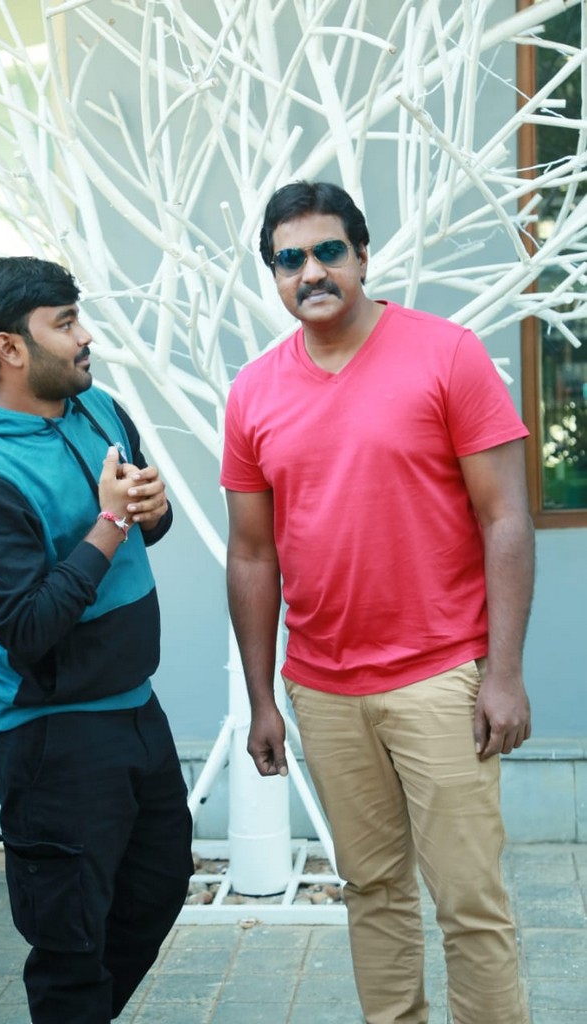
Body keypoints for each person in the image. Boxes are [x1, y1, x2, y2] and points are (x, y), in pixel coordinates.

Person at [221, 181, 534, 1024]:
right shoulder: (254, 391)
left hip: (441, 676)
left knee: (469, 899)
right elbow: (251, 553)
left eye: (329, 251)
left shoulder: (447, 354)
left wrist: (504, 673)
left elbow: (506, 518)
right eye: (290, 260)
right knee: (373, 891)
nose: (311, 272)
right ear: (273, 275)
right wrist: (261, 698)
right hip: (323, 689)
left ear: (362, 255)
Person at [0, 256, 194, 1024]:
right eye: (66, 323)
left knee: (157, 885)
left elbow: (143, 526)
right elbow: (28, 630)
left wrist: (150, 509)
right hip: (48, 734)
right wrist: (110, 522)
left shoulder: (99, 408)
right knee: (70, 943)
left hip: (133, 705)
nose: (86, 337)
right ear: (10, 348)